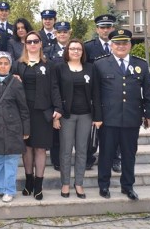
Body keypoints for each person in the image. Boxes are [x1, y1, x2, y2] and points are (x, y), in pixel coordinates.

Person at [93, 29, 150, 201]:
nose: (121, 46)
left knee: (129, 154)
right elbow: (95, 95)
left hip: (131, 118)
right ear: (111, 45)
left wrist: (149, 114)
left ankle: (127, 186)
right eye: (117, 43)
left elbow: (149, 92)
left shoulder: (141, 65)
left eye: (124, 43)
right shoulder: (100, 64)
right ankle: (104, 185)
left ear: (130, 45)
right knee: (106, 153)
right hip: (108, 118)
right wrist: (97, 117)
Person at [12, 31, 61, 201]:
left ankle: (39, 186)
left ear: (41, 44)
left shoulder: (49, 65)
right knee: (27, 148)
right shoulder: (18, 64)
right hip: (24, 112)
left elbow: (55, 87)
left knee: (40, 148)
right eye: (29, 41)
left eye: (35, 41)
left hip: (42, 112)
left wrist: (58, 109)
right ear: (25, 45)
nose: (32, 44)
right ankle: (29, 182)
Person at [54, 39, 102, 200]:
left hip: (86, 116)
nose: (76, 51)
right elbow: (56, 92)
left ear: (83, 52)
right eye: (73, 49)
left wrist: (97, 116)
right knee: (66, 151)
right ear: (67, 51)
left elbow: (96, 92)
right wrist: (56, 115)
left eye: (79, 49)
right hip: (67, 116)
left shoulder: (90, 68)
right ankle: (65, 183)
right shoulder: (60, 68)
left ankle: (79, 183)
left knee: (82, 151)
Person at [0, 52, 30, 203]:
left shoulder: (16, 83)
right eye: (0, 63)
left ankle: (9, 190)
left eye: (6, 63)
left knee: (11, 162)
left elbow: (24, 108)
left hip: (13, 129)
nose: (3, 66)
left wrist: (26, 129)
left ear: (10, 66)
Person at [84, 14, 120, 171]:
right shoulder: (88, 47)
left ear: (113, 28)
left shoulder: (119, 45)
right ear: (97, 29)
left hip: (114, 93)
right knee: (91, 129)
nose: (105, 30)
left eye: (108, 27)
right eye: (102, 27)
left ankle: (115, 158)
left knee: (115, 128)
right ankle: (89, 157)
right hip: (94, 93)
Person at [44, 21, 72, 171]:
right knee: (56, 129)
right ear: (55, 34)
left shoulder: (75, 49)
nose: (62, 34)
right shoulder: (48, 51)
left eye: (65, 32)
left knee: (70, 129)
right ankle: (57, 160)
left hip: (72, 94)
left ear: (69, 33)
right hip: (55, 93)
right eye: (59, 32)